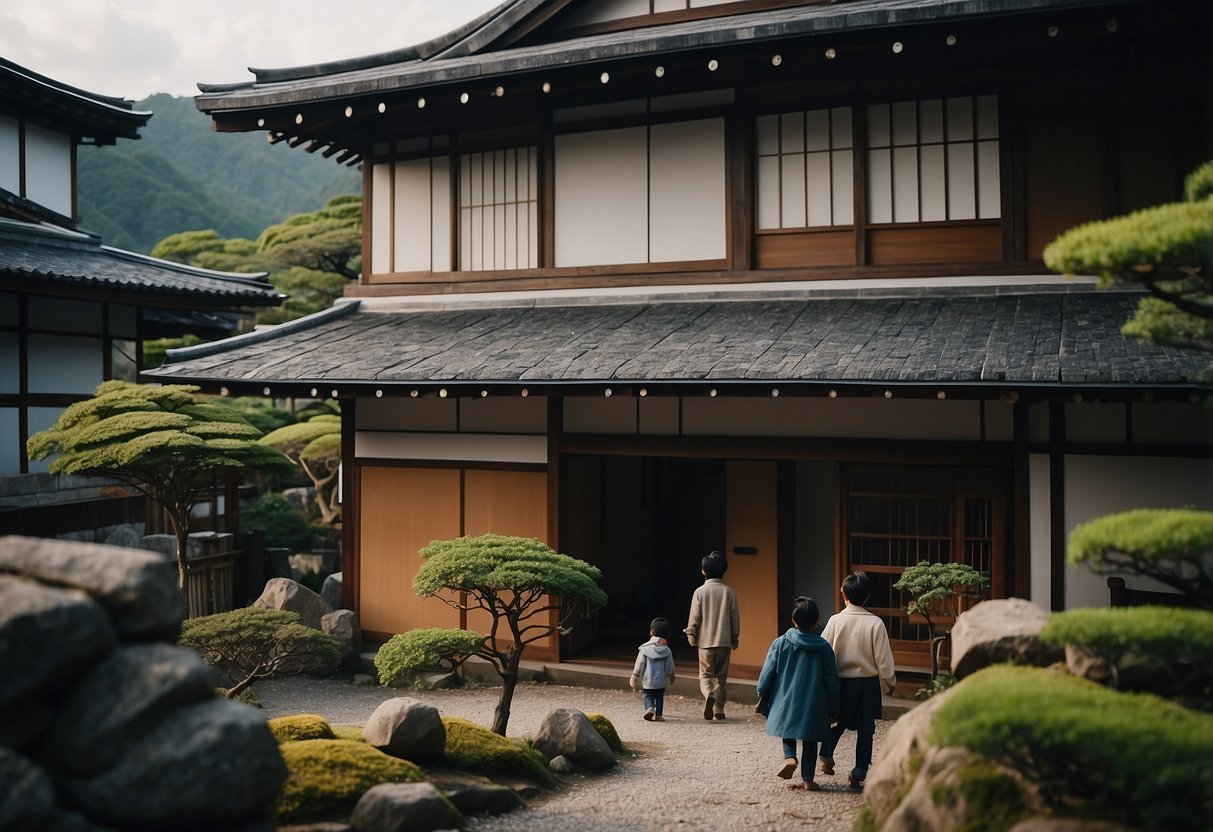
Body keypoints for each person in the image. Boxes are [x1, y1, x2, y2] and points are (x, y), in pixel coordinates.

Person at [818, 571, 897, 790]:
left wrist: (823, 681)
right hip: (867, 684)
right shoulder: (876, 623)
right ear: (868, 597)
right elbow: (883, 658)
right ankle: (858, 772)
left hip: (840, 682)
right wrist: (889, 682)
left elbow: (824, 651)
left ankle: (825, 754)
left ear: (843, 594)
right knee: (865, 730)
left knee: (838, 722)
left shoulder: (835, 621)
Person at [756, 596, 840, 791]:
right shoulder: (825, 648)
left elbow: (768, 671)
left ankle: (790, 757)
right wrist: (835, 705)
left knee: (788, 729)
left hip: (786, 699)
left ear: (794, 620)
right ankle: (808, 779)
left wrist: (761, 690)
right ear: (817, 622)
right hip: (815, 703)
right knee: (810, 741)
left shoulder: (781, 643)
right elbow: (832, 680)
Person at [683, 550, 739, 720]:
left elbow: (694, 617)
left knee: (706, 675)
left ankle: (709, 694)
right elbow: (735, 617)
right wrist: (735, 637)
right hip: (724, 642)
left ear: (703, 571)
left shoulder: (700, 592)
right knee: (721, 677)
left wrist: (691, 635)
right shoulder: (729, 592)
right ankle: (719, 709)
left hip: (705, 643)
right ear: (724, 570)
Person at [629, 616, 677, 721]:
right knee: (659, 697)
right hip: (661, 681)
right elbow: (670, 665)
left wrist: (635, 676)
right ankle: (659, 715)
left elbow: (639, 663)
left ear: (652, 632)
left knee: (648, 696)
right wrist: (672, 676)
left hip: (648, 680)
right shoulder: (667, 651)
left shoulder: (644, 649)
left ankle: (650, 708)